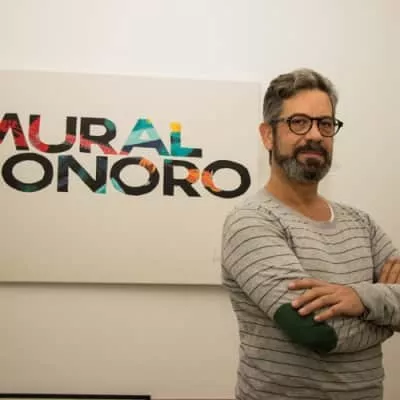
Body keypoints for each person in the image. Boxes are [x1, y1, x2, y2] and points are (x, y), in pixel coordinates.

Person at [221, 68, 400, 400]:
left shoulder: (362, 224)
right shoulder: (251, 222)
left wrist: (361, 298)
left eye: (325, 124)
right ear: (268, 135)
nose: (315, 135)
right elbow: (317, 332)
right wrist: (388, 315)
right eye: (299, 122)